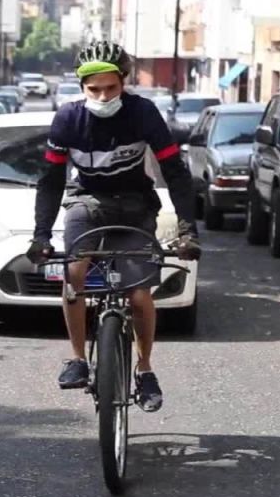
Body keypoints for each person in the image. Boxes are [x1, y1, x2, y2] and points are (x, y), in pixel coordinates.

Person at [26, 41, 201, 412]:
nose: (103, 96)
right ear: (81, 87)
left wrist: (188, 229)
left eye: (111, 87)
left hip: (136, 205)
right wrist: (40, 235)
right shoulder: (68, 120)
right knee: (75, 276)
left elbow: (175, 172)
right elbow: (51, 180)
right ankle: (77, 359)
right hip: (86, 202)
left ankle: (145, 368)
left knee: (139, 294)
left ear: (124, 82)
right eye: (94, 89)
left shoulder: (143, 114)